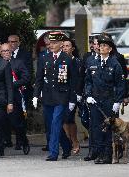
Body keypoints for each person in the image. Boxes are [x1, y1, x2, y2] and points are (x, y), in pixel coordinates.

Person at [32, 31, 76, 161]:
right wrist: (35, 95)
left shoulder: (68, 59)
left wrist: (73, 99)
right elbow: (39, 78)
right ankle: (67, 146)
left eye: (55, 43)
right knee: (51, 125)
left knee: (56, 123)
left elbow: (73, 81)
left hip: (62, 97)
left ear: (61, 44)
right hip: (47, 97)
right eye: (50, 42)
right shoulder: (44, 58)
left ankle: (53, 152)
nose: (51, 45)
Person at [85, 35, 125, 164]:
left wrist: (118, 102)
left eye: (104, 46)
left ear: (110, 49)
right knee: (97, 127)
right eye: (100, 46)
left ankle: (108, 154)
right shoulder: (93, 63)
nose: (101, 48)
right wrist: (88, 95)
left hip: (109, 99)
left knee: (109, 128)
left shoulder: (115, 64)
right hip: (96, 100)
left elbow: (120, 84)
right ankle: (100, 153)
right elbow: (88, 81)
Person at [0, 43, 30, 155]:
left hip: (15, 95)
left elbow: (26, 77)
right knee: (0, 121)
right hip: (1, 96)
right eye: (3, 51)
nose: (6, 53)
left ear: (11, 52)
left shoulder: (18, 62)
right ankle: (1, 144)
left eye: (7, 51)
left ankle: (24, 140)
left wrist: (12, 84)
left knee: (16, 122)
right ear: (0, 52)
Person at [62, 37, 81, 155]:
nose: (64, 48)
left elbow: (79, 80)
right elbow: (62, 79)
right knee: (64, 119)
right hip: (62, 94)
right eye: (63, 46)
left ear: (72, 48)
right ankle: (68, 141)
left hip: (73, 95)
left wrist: (76, 95)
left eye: (67, 46)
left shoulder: (77, 62)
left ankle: (75, 142)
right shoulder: (62, 61)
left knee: (70, 118)